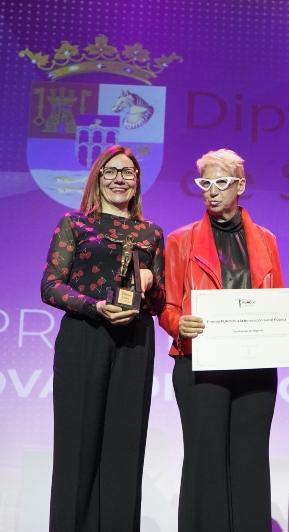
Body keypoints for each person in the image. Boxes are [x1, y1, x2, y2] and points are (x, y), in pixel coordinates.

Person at [158, 148, 289, 531]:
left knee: (250, 461)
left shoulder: (266, 240)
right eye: (205, 183)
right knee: (204, 461)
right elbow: (167, 305)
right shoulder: (180, 240)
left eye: (221, 182)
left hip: (255, 366)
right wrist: (178, 323)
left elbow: (277, 299)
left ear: (239, 185)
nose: (212, 191)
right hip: (200, 364)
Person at [41, 144, 165, 531]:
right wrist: (94, 306)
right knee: (77, 447)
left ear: (137, 180)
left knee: (125, 447)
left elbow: (158, 303)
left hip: (134, 340)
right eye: (110, 171)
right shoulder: (75, 223)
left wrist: (151, 280)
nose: (119, 179)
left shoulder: (151, 233)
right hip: (85, 335)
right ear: (97, 177)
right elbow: (50, 286)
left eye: (127, 172)